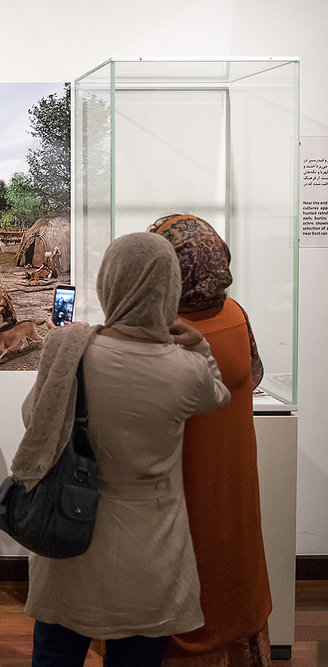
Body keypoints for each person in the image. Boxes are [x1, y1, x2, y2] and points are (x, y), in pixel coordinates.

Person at [12, 232, 231, 666]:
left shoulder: (68, 349)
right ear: (168, 288)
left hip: (69, 536)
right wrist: (200, 344)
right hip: (149, 553)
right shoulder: (184, 370)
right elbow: (218, 395)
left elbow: (31, 419)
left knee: (56, 653)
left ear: (107, 284)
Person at [150, 214, 273, 666]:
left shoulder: (160, 331)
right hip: (233, 476)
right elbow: (253, 377)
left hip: (180, 485)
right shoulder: (237, 315)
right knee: (232, 566)